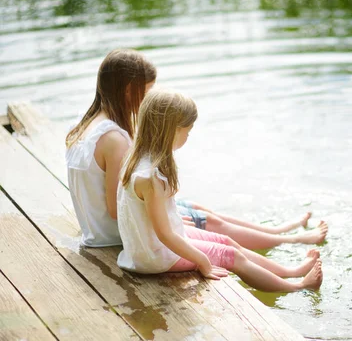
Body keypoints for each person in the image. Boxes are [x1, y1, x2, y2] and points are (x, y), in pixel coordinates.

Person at [65, 48, 328, 248]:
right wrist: (169, 221)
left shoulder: (85, 125)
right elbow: (116, 208)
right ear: (127, 91)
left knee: (199, 209)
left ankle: (278, 232)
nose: (148, 101)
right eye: (146, 92)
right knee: (210, 222)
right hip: (116, 236)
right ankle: (291, 241)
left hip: (96, 230)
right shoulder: (115, 140)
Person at [118, 89, 323, 291]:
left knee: (226, 241)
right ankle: (297, 286)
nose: (189, 135)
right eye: (187, 131)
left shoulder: (138, 158)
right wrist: (203, 261)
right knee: (232, 257)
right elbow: (164, 235)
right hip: (157, 256)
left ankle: (289, 271)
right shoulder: (150, 177)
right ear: (171, 130)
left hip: (152, 247)